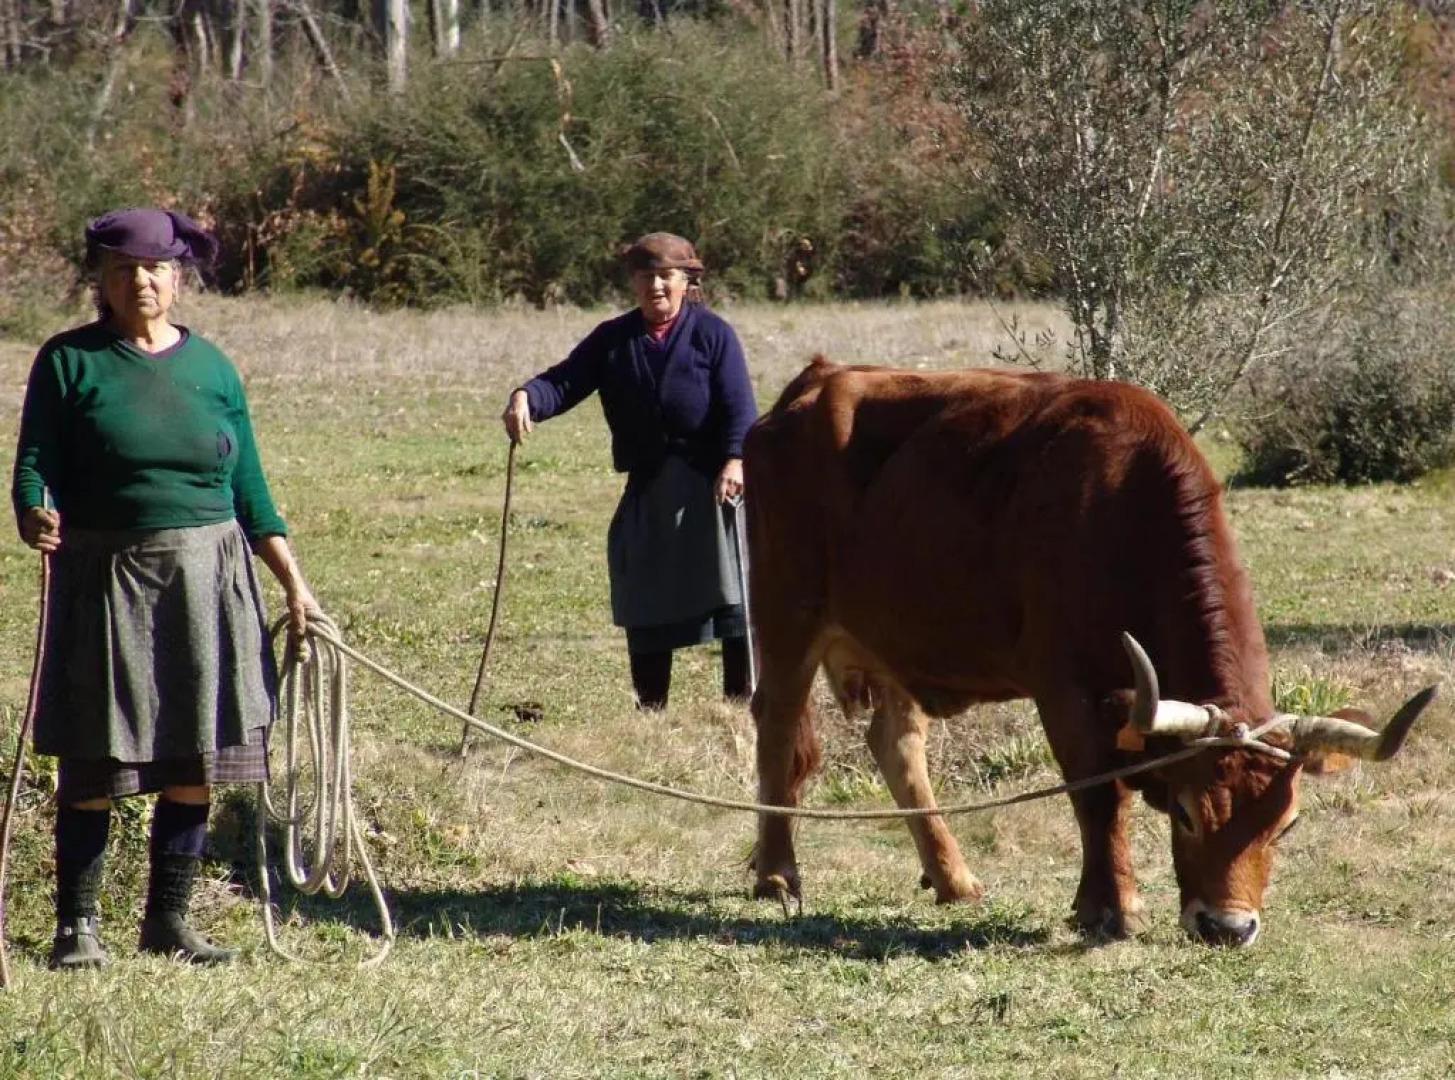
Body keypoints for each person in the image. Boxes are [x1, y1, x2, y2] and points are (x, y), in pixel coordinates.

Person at [10, 207, 318, 969]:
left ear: (177, 280)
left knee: (196, 758)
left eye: (154, 270)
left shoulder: (212, 367)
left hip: (208, 576)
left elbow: (250, 488)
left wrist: (294, 587)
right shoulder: (68, 361)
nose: (140, 282)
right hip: (106, 576)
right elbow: (33, 461)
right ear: (102, 282)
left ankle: (168, 922)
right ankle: (76, 928)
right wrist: (31, 511)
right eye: (123, 270)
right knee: (94, 758)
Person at [502, 232, 757, 710]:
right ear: (633, 283)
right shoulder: (613, 340)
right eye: (645, 277)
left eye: (666, 276)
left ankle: (740, 709)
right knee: (644, 595)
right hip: (651, 489)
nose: (656, 286)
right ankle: (651, 710)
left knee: (734, 604)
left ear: (687, 282)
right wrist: (526, 397)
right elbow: (564, 381)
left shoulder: (713, 334)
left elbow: (740, 407)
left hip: (713, 489)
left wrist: (736, 459)